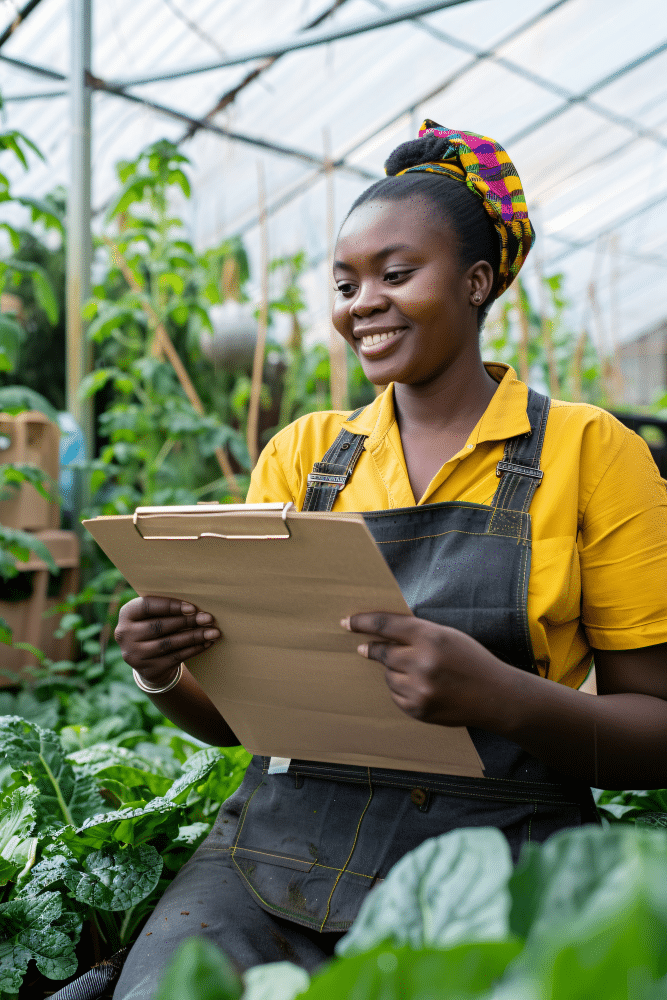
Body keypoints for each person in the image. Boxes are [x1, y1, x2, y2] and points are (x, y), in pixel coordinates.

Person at [112, 122, 667, 998]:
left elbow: (656, 734)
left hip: (502, 855)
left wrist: (502, 697)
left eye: (394, 275)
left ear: (477, 281)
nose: (359, 302)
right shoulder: (304, 457)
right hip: (276, 854)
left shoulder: (591, 453)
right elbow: (241, 723)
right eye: (345, 283)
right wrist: (164, 671)